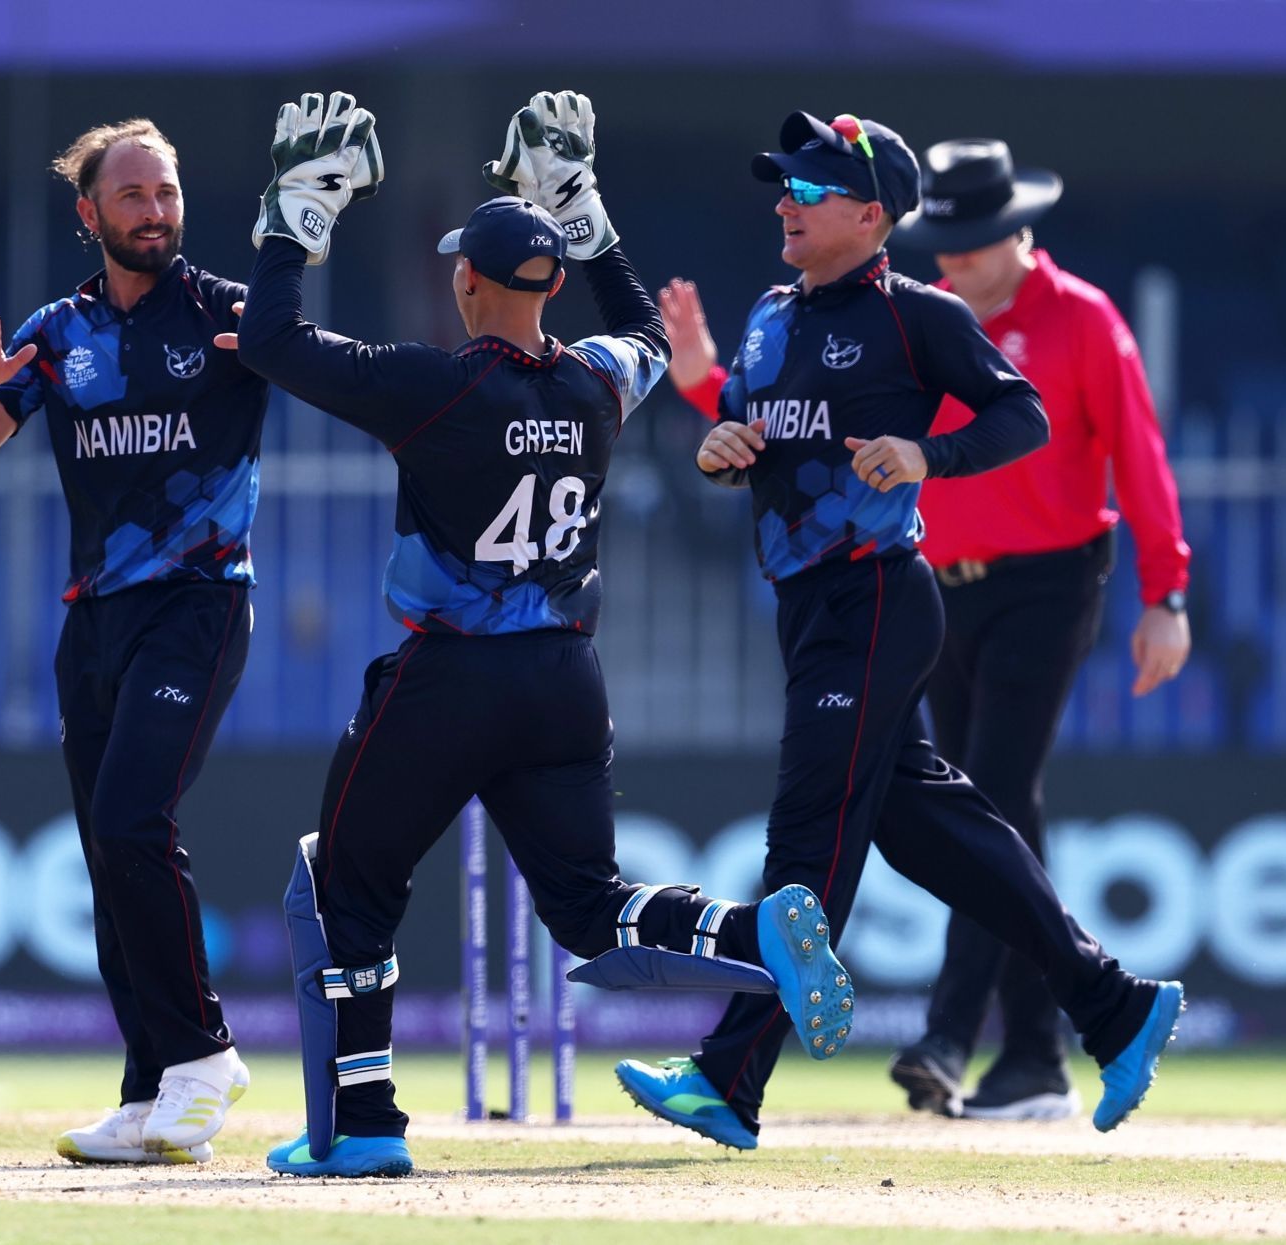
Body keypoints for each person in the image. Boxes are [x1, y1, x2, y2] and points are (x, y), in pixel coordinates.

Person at [230, 90, 858, 1179]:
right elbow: (655, 334)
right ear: (552, 281)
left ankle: (363, 1125)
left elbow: (274, 340)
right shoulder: (595, 383)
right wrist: (583, 210)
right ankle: (755, 935)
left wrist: (296, 216)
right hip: (566, 677)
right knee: (589, 906)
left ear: (464, 280)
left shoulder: (429, 384)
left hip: (449, 681)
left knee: (344, 890)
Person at [612, 110, 1183, 1151]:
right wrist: (718, 443)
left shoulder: (917, 315)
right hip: (808, 606)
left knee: (806, 830)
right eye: (781, 186)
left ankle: (728, 1076)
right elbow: (750, 425)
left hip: (875, 597)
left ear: (873, 215)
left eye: (808, 190)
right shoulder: (773, 315)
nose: (783, 202)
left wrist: (929, 457)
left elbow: (1023, 416)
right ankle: (1114, 1003)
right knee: (943, 838)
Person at [0, 119, 260, 1167]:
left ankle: (202, 1054)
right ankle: (148, 1088)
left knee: (132, 819)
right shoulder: (56, 330)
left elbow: (323, 371)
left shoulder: (224, 314)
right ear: (90, 215)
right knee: (105, 858)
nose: (154, 211)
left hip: (198, 605)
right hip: (96, 623)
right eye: (131, 196)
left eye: (165, 192)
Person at [883, 139, 1193, 1121]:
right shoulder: (921, 317)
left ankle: (944, 1030)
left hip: (1051, 583)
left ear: (1018, 235)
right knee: (1006, 817)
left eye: (972, 244)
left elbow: (1138, 457)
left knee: (989, 791)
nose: (955, 261)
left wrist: (1166, 594)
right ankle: (1032, 1058)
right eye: (945, 243)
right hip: (942, 587)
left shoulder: (1082, 321)